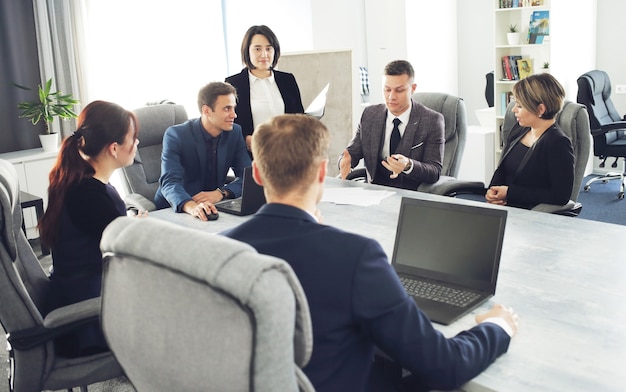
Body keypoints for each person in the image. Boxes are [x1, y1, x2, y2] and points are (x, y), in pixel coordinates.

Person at [222, 114, 518, 392]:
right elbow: (445, 365)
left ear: (258, 174)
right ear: (322, 171)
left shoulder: (220, 250)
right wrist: (498, 325)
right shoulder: (355, 256)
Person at [39, 100, 144, 357]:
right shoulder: (89, 195)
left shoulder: (80, 182)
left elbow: (103, 228)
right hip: (88, 319)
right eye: (134, 138)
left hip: (79, 296)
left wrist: (127, 219)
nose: (137, 144)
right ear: (114, 148)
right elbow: (129, 253)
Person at [339, 60, 445, 191]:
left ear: (413, 89)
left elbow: (434, 171)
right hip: (373, 194)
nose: (391, 96)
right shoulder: (369, 115)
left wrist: (408, 165)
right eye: (387, 89)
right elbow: (353, 152)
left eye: (399, 90)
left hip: (410, 197)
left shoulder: (432, 121)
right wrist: (344, 161)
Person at [154, 81, 251, 219]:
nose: (234, 115)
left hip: (213, 206)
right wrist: (192, 207)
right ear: (207, 111)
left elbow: (248, 176)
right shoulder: (176, 135)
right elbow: (169, 182)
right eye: (226, 109)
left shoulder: (234, 132)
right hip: (175, 209)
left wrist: (221, 193)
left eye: (233, 108)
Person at [486, 73, 574, 209]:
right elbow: (502, 170)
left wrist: (509, 193)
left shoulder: (558, 143)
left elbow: (560, 195)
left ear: (540, 109)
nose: (514, 110)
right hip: (503, 207)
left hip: (529, 215)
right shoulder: (519, 130)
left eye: (520, 106)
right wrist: (493, 192)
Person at [225, 25, 304, 156]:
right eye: (257, 49)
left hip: (288, 155)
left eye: (268, 48)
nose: (264, 54)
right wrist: (245, 139)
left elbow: (299, 116)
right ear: (247, 51)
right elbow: (229, 123)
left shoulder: (287, 80)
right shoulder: (234, 83)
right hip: (252, 157)